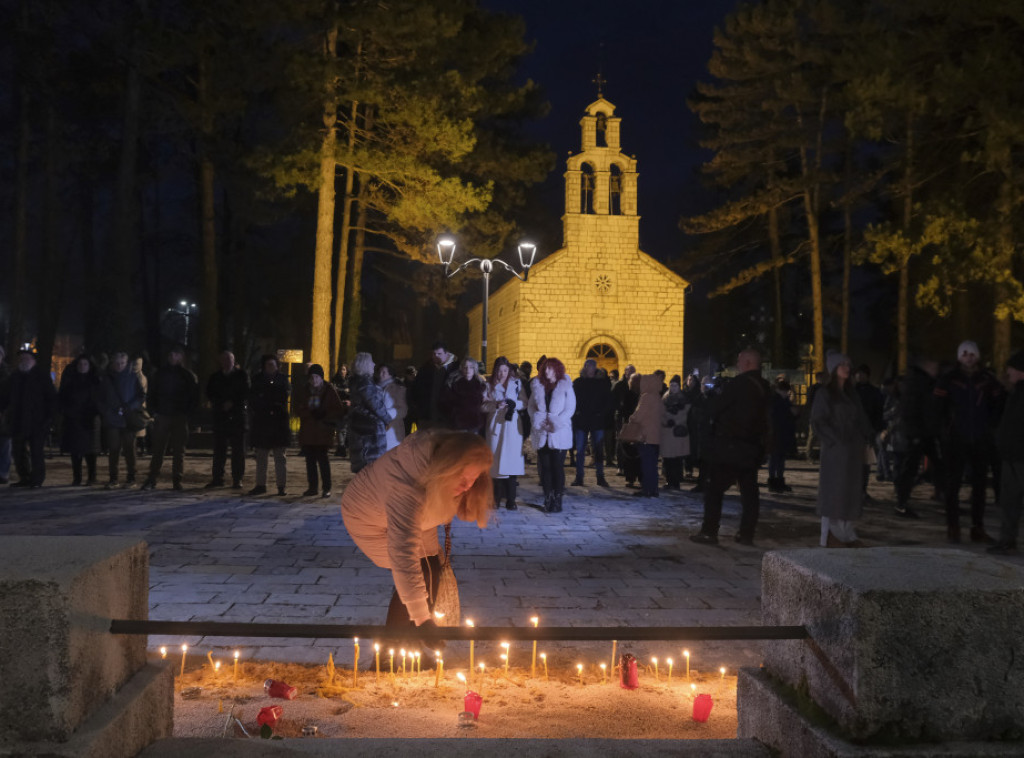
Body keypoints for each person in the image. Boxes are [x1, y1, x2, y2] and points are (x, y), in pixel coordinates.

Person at [340, 430, 493, 628]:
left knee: (432, 569)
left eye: (473, 478)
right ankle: (397, 644)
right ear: (446, 468)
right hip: (368, 518)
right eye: (462, 478)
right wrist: (421, 618)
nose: (467, 486)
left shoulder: (438, 474)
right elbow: (403, 553)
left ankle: (417, 641)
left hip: (418, 519)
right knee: (420, 573)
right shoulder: (406, 487)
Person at [690, 349, 771, 546]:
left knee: (714, 490)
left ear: (748, 363)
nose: (737, 364)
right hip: (752, 447)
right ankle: (746, 534)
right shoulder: (765, 387)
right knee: (749, 492)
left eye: (740, 361)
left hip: (730, 447)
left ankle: (709, 532)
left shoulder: (739, 384)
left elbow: (715, 408)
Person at [933, 340, 1005, 543]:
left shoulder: (987, 379)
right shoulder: (949, 379)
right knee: (953, 484)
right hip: (955, 439)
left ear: (977, 356)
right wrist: (944, 431)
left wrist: (990, 426)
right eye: (964, 354)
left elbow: (999, 404)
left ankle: (977, 527)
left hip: (980, 439)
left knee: (980, 485)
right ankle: (953, 526)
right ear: (959, 357)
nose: (968, 358)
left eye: (972, 354)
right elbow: (937, 407)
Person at [811, 351, 875, 548]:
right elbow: (818, 421)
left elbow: (861, 418)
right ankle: (830, 535)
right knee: (834, 492)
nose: (847, 368)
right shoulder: (825, 394)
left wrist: (869, 435)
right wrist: (835, 440)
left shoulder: (852, 394)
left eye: (848, 364)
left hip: (853, 451)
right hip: (836, 452)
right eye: (842, 365)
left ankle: (846, 533)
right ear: (833, 369)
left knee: (849, 492)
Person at [142, 345, 199, 491]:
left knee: (178, 450)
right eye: (171, 355)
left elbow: (194, 397)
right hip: (163, 414)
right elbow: (152, 393)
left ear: (181, 357)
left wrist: (187, 414)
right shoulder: (161, 374)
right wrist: (153, 412)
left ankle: (176, 479)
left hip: (179, 415)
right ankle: (153, 477)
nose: (173, 357)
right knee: (158, 449)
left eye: (175, 355)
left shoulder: (187, 375)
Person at [891, 357, 939, 519]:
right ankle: (901, 503)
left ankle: (903, 501)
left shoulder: (923, 381)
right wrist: (916, 433)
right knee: (910, 469)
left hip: (923, 432)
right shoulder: (918, 382)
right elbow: (912, 409)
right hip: (918, 433)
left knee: (933, 465)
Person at [529, 357, 575, 513]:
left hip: (558, 432)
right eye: (545, 368)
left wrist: (555, 423)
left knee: (557, 467)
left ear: (556, 369)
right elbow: (531, 407)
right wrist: (538, 420)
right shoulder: (537, 385)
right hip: (542, 432)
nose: (546, 371)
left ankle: (558, 498)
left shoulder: (565, 384)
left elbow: (570, 408)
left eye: (549, 368)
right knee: (545, 467)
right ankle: (548, 497)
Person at [989, 350, 1024, 555]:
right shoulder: (1015, 393)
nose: (1007, 372)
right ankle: (1007, 540)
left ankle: (1008, 540)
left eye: (1010, 368)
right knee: (1009, 501)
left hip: (1019, 456)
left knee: (1011, 500)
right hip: (1010, 455)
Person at [5, 348, 57, 488]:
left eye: (27, 359)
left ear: (33, 361)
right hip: (18, 420)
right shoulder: (15, 377)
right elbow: (5, 396)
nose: (24, 361)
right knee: (18, 451)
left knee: (36, 451)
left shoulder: (41, 376)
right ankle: (24, 476)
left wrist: (49, 418)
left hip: (37, 421)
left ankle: (37, 479)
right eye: (22, 359)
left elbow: (51, 398)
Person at [96, 351, 145, 489]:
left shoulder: (132, 377)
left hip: (127, 418)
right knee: (114, 449)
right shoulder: (107, 378)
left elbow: (141, 395)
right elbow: (99, 398)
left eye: (122, 363)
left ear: (126, 363)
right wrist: (107, 411)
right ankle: (114, 478)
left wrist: (130, 407)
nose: (119, 366)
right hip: (113, 418)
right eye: (117, 363)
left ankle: (131, 477)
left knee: (129, 449)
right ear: (113, 363)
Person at [483, 356, 525, 509]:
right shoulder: (488, 385)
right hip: (496, 426)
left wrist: (514, 404)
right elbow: (482, 405)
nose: (502, 374)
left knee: (512, 462)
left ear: (509, 371)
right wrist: (495, 405)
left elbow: (525, 402)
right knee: (495, 461)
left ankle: (511, 500)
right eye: (499, 370)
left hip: (512, 426)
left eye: (505, 370)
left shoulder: (516, 384)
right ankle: (496, 498)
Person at [297, 363, 344, 497]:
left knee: (323, 461)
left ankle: (326, 488)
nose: (314, 380)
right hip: (309, 431)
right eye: (312, 377)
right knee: (310, 461)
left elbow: (338, 409)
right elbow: (298, 408)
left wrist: (324, 414)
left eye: (317, 377)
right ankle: (312, 487)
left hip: (323, 431)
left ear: (321, 377)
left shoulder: (329, 390)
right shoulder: (305, 390)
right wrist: (309, 413)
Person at [205, 350, 250, 489]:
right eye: (224, 360)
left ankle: (237, 478)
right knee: (219, 450)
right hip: (221, 417)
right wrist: (220, 404)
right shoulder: (215, 377)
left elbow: (246, 392)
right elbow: (210, 393)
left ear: (233, 361)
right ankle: (218, 477)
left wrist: (233, 403)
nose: (227, 362)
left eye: (229, 360)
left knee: (238, 451)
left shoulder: (241, 375)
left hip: (237, 417)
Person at [249, 355, 291, 496]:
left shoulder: (283, 380)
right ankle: (260, 484)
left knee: (280, 457)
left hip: (278, 423)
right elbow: (254, 398)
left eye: (273, 365)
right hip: (263, 422)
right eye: (268, 365)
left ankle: (281, 486)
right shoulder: (257, 379)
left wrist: (271, 404)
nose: (270, 367)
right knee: (261, 456)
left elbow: (283, 397)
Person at [346, 352, 392, 474]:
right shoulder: (365, 383)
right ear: (365, 365)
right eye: (371, 362)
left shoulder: (357, 382)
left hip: (361, 427)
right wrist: (387, 418)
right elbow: (375, 404)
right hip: (370, 431)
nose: (374, 364)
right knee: (371, 468)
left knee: (364, 467)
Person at [59, 354, 100, 486]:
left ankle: (92, 476)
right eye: (80, 364)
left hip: (90, 419)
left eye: (85, 364)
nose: (82, 367)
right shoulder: (70, 381)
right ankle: (77, 477)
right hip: (74, 419)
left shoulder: (95, 381)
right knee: (75, 451)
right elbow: (63, 398)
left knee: (90, 451)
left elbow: (99, 400)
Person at [571, 359, 612, 487]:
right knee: (580, 450)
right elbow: (573, 400)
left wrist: (601, 413)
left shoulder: (602, 383)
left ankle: (600, 476)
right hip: (582, 421)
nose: (590, 369)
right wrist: (577, 413)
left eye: (592, 367)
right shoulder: (578, 382)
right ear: (585, 368)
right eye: (588, 366)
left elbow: (608, 400)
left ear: (595, 368)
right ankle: (579, 477)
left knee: (598, 450)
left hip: (596, 421)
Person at [628, 370, 665, 497]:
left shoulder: (646, 397)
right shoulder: (658, 397)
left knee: (646, 464)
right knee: (653, 465)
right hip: (656, 437)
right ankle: (654, 489)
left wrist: (631, 418)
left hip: (646, 436)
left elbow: (638, 416)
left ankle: (647, 489)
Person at [409, 341, 460, 429]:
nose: (435, 356)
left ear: (447, 353)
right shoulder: (425, 369)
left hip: (448, 418)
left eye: (439, 354)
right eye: (433, 354)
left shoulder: (457, 369)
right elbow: (415, 389)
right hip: (427, 417)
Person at [854, 364, 885, 501]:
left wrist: (876, 429)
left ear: (867, 375)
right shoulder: (851, 391)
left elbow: (879, 412)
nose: (859, 376)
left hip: (868, 431)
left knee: (865, 464)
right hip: (852, 431)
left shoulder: (874, 392)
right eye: (858, 374)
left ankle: (862, 490)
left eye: (862, 374)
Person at [439, 358, 486, 434]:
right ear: (461, 368)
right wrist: (453, 415)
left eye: (471, 367)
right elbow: (445, 402)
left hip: (475, 423)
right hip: (458, 424)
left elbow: (483, 403)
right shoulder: (453, 384)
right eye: (465, 367)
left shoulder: (480, 384)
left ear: (474, 369)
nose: (468, 370)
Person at [660, 375, 690, 490]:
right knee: (668, 459)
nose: (673, 387)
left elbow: (685, 414)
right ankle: (669, 480)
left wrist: (674, 421)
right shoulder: (665, 397)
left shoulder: (683, 398)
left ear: (679, 386)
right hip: (667, 432)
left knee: (676, 460)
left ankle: (675, 482)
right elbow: (661, 412)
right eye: (671, 385)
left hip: (677, 433)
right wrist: (666, 420)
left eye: (675, 385)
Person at [768, 377, 797, 493]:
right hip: (777, 433)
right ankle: (774, 482)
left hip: (781, 433)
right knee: (775, 459)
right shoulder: (777, 400)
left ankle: (778, 481)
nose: (787, 393)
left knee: (779, 459)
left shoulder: (781, 400)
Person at [376, 364, 408, 451]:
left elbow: (403, 410)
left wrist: (386, 415)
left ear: (390, 374)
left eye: (384, 372)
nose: (381, 374)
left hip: (392, 431)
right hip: (377, 431)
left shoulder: (398, 389)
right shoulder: (375, 389)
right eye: (379, 372)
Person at [331, 363, 351, 456]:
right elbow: (333, 390)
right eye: (341, 369)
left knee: (344, 428)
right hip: (338, 406)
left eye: (344, 369)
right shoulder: (335, 380)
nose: (342, 371)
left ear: (346, 371)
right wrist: (344, 391)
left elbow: (352, 392)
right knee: (340, 428)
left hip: (348, 406)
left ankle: (342, 447)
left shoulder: (350, 381)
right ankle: (341, 447)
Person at [0, 345, 12, 484]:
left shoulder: (7, 375)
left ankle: (3, 472)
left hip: (3, 414)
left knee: (4, 444)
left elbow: (9, 395)